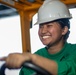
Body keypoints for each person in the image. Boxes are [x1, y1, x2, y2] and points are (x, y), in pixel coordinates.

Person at [0, 0, 76, 75]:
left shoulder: (73, 51)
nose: (43, 31)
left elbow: (68, 69)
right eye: (41, 26)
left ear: (64, 30)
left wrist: (32, 58)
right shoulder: (37, 55)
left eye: (49, 26)